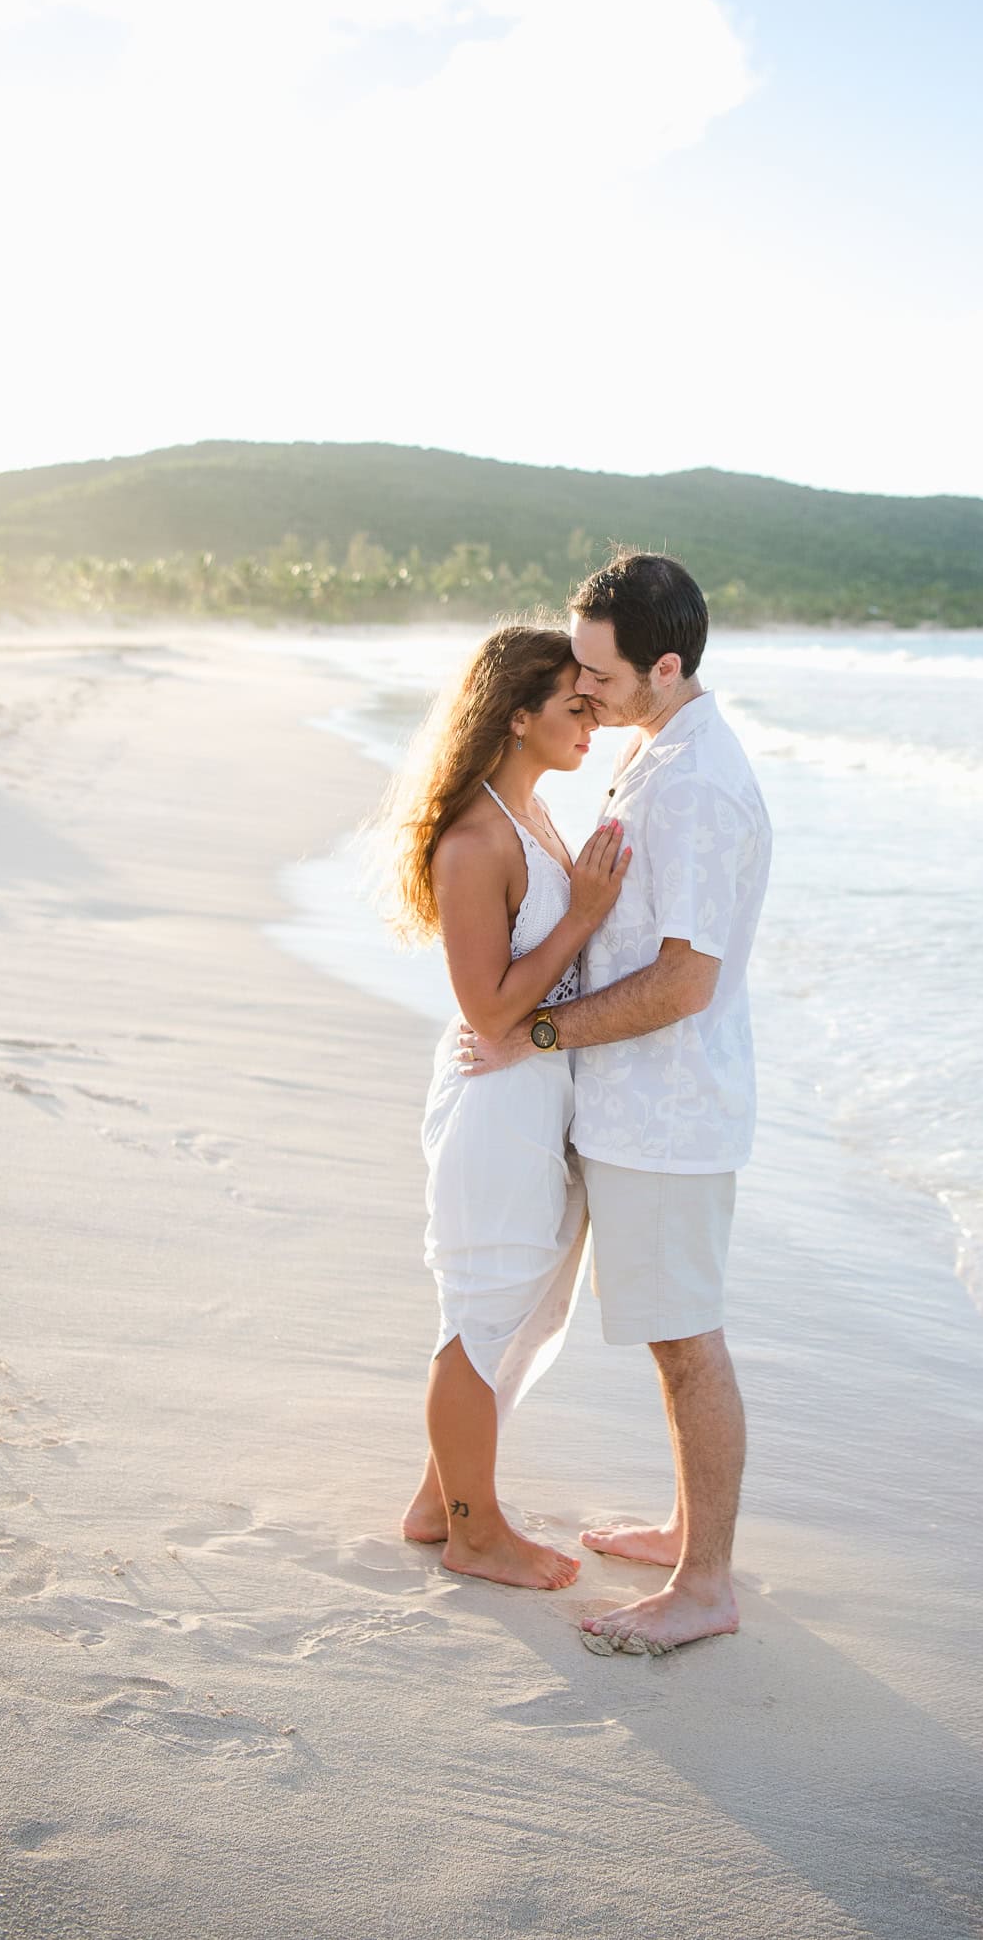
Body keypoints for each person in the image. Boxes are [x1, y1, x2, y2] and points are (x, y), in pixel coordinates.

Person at [459, 553, 772, 1654]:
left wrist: (538, 1029)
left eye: (599, 670)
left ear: (667, 664)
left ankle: (708, 1582)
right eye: (576, 666)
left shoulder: (694, 781)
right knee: (669, 1336)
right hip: (635, 1108)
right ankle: (690, 1527)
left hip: (670, 1113)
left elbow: (687, 979)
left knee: (688, 1342)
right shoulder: (659, 751)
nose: (581, 688)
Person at [381, 624, 630, 1591]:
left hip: (535, 1089)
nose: (593, 721)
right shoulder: (478, 837)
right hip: (499, 1100)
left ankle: (435, 1499)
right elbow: (485, 1008)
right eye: (577, 705)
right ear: (516, 715)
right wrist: (582, 916)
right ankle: (475, 1532)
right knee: (482, 1315)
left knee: (525, 1315)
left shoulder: (533, 814)